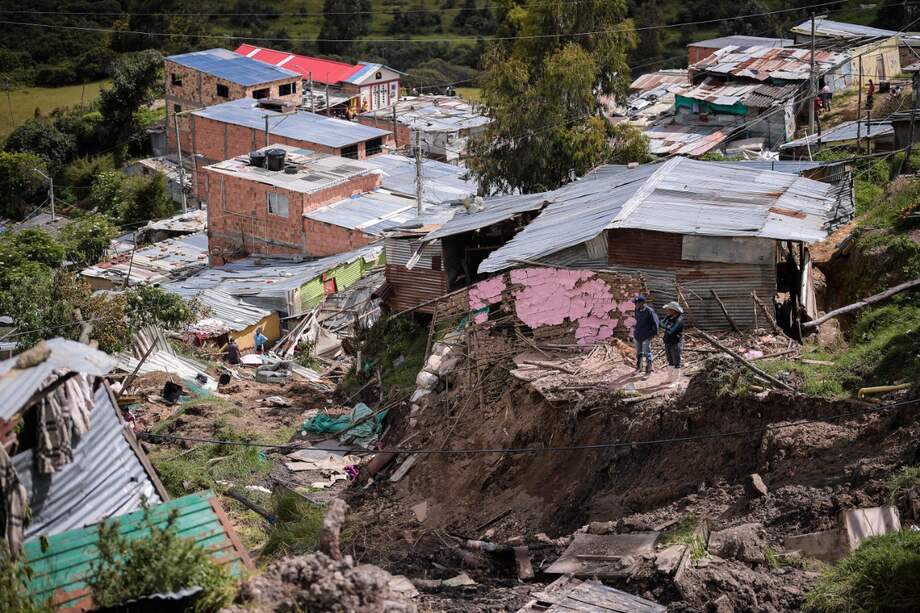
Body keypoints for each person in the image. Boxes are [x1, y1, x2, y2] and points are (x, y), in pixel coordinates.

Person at [632, 295, 659, 377]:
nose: (636, 304)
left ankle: (648, 371)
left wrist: (652, 335)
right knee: (639, 353)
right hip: (638, 335)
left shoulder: (649, 311)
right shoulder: (637, 310)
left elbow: (656, 324)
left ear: (643, 303)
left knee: (647, 353)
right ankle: (639, 368)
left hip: (646, 336)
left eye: (637, 303)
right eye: (635, 303)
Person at [661, 302, 685, 384]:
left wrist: (665, 326)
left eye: (669, 309)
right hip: (668, 341)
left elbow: (671, 330)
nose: (667, 311)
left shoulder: (679, 320)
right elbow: (660, 323)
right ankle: (669, 378)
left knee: (676, 362)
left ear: (674, 310)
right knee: (670, 361)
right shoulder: (669, 317)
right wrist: (666, 325)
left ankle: (675, 381)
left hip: (676, 342)